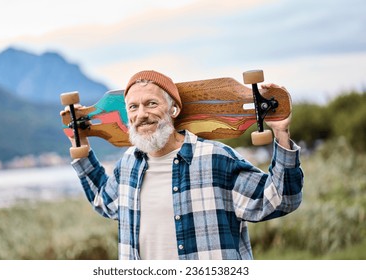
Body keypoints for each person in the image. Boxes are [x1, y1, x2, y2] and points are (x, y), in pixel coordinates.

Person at [63, 70, 304, 260]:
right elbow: (104, 202)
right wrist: (81, 147)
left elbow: (280, 200)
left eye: (151, 104)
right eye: (133, 107)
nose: (141, 114)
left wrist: (281, 133)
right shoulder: (128, 165)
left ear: (174, 109)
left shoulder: (215, 158)